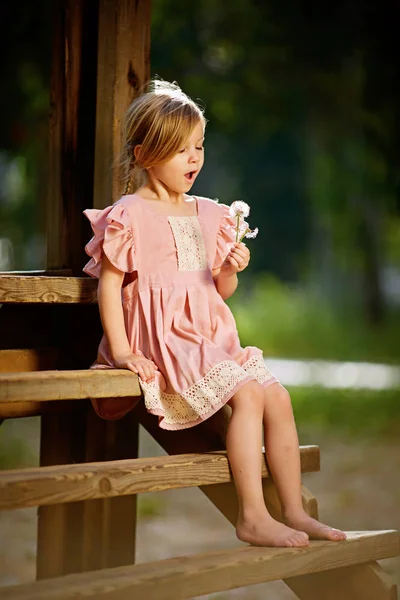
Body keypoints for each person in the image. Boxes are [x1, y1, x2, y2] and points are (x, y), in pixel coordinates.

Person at [83, 79, 346, 548]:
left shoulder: (208, 214)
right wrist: (122, 352)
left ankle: (293, 510)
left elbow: (219, 290)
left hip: (209, 338)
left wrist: (229, 266)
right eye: (181, 150)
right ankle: (253, 515)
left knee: (277, 398)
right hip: (164, 339)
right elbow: (109, 286)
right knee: (247, 394)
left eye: (199, 147)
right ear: (145, 156)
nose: (195, 159)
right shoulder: (129, 214)